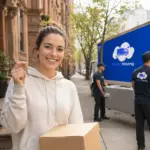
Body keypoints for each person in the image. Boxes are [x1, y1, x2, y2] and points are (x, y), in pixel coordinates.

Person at [0, 25, 83, 150]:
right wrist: (19, 87)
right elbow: (13, 126)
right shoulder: (20, 81)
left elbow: (77, 128)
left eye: (59, 49)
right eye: (48, 46)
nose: (54, 54)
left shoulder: (69, 87)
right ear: (37, 50)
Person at [132, 51, 150, 150]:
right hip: (148, 102)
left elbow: (133, 86)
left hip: (137, 102)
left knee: (139, 125)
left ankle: (140, 146)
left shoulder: (135, 71)